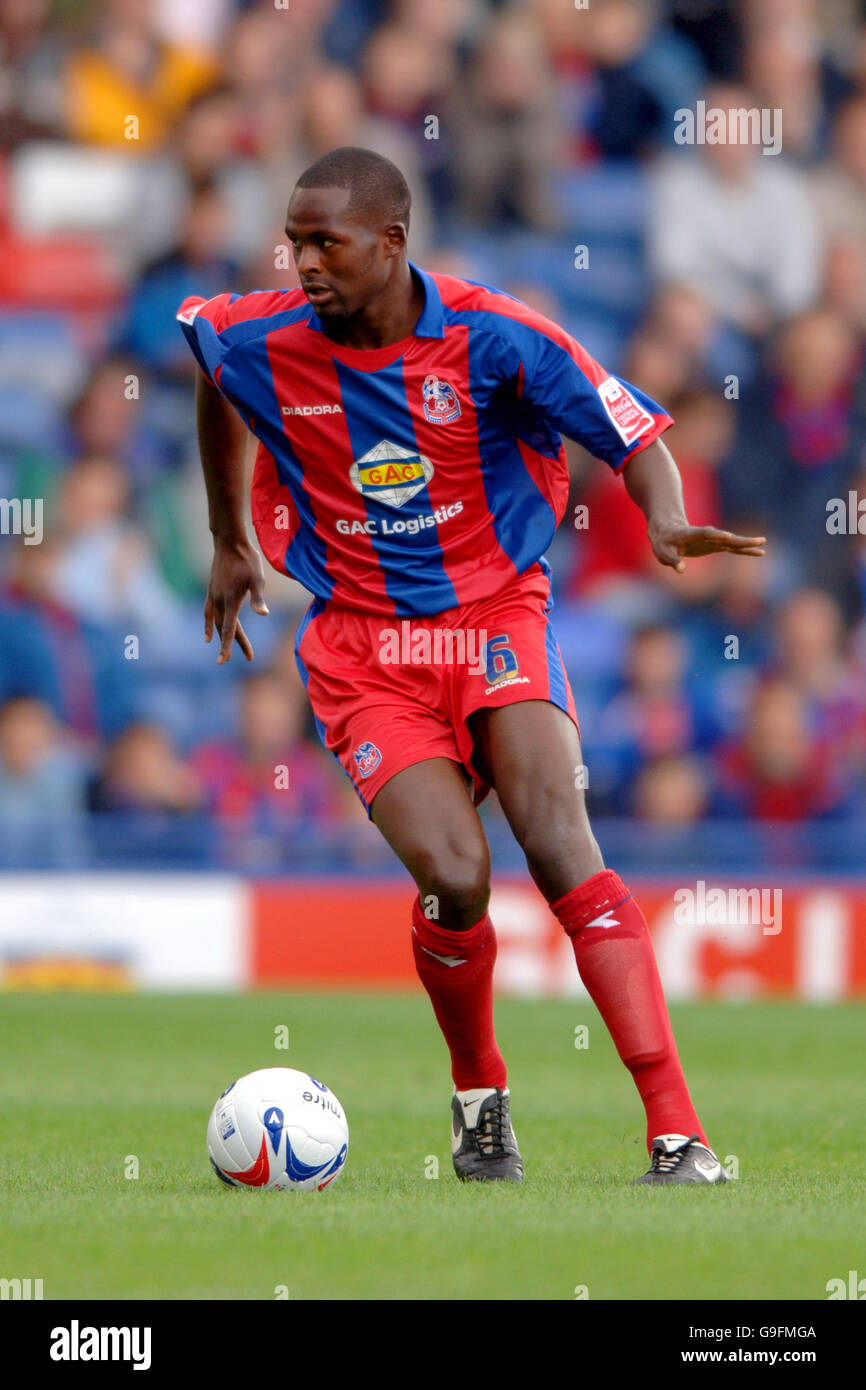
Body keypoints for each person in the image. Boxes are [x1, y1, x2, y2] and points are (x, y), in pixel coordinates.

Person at [177, 146, 765, 1186]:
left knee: (556, 842)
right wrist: (230, 535)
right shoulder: (257, 336)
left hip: (494, 617)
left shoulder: (494, 335)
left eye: (326, 242)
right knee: (454, 877)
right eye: (295, 239)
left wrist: (665, 520)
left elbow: (627, 430)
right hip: (365, 647)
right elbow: (213, 376)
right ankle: (478, 1099)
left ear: (391, 244)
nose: (302, 261)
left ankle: (676, 1134)